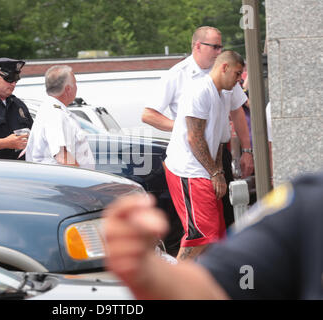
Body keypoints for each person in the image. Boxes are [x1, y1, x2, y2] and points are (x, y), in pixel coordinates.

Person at [103, 171, 323, 299]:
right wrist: (152, 274)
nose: (238, 87)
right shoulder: (308, 204)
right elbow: (221, 285)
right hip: (198, 176)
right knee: (200, 235)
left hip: (209, 176)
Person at [142, 26, 254, 229]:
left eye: (221, 47)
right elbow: (148, 114)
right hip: (192, 161)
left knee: (224, 219)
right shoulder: (177, 75)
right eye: (215, 47)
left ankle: (219, 260)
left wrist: (247, 151)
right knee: (201, 231)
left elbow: (237, 110)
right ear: (198, 46)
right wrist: (184, 130)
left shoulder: (226, 73)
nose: (219, 51)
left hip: (219, 153)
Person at [164, 50, 245, 260]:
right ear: (224, 67)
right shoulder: (200, 90)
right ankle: (172, 287)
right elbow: (194, 137)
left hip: (203, 170)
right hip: (188, 170)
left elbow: (219, 140)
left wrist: (217, 172)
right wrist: (215, 173)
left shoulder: (220, 95)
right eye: (237, 74)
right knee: (201, 236)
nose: (239, 80)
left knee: (215, 235)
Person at [26, 65, 95, 169]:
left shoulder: (53, 110)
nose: (76, 87)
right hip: (62, 181)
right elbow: (61, 155)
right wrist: (83, 177)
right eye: (75, 84)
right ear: (68, 89)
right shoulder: (55, 114)